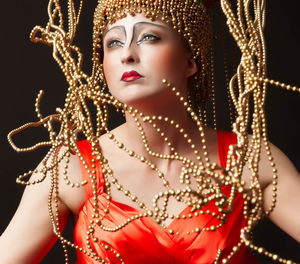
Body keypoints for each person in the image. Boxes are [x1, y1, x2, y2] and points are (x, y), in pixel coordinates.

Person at [0, 0, 299, 263]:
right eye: (113, 43)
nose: (127, 54)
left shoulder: (248, 159)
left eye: (149, 37)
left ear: (190, 61)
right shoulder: (71, 168)